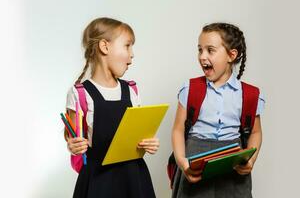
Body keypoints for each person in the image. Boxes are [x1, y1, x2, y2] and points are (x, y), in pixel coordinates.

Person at [64, 17, 159, 198]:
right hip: (98, 183)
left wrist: (149, 142)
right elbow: (71, 137)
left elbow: (137, 136)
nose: (132, 54)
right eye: (127, 46)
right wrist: (73, 145)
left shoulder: (131, 89)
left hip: (134, 179)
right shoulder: (79, 93)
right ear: (104, 47)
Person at [171, 22, 265, 198]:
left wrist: (251, 159)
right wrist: (183, 163)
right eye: (200, 50)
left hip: (233, 165)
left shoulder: (250, 95)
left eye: (210, 50)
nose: (202, 56)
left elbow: (256, 132)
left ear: (231, 55)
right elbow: (178, 129)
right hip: (195, 159)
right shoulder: (190, 89)